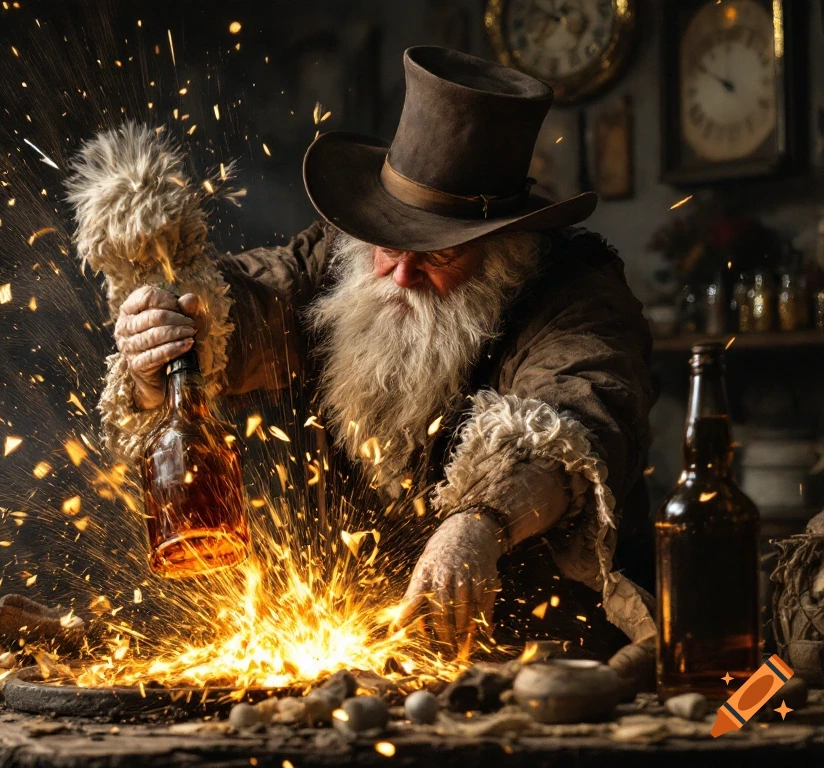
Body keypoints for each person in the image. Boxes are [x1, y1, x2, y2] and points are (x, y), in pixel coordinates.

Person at [67, 46, 656, 659]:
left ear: (505, 250)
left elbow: (576, 417)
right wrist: (161, 338)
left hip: (551, 655)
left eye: (438, 253)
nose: (400, 274)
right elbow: (238, 304)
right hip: (370, 648)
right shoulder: (336, 260)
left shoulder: (580, 299)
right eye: (389, 243)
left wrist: (480, 522)